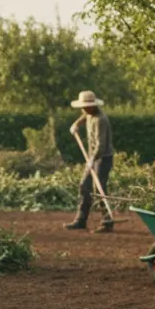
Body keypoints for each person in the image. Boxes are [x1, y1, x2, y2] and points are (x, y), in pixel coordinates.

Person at [66, 90, 115, 233]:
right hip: (93, 158)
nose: (84, 109)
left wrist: (92, 160)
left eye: (87, 106)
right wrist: (76, 124)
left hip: (103, 158)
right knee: (84, 185)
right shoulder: (89, 114)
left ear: (93, 106)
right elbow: (84, 117)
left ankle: (107, 222)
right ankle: (81, 220)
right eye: (83, 107)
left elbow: (101, 145)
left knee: (98, 189)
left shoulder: (100, 120)